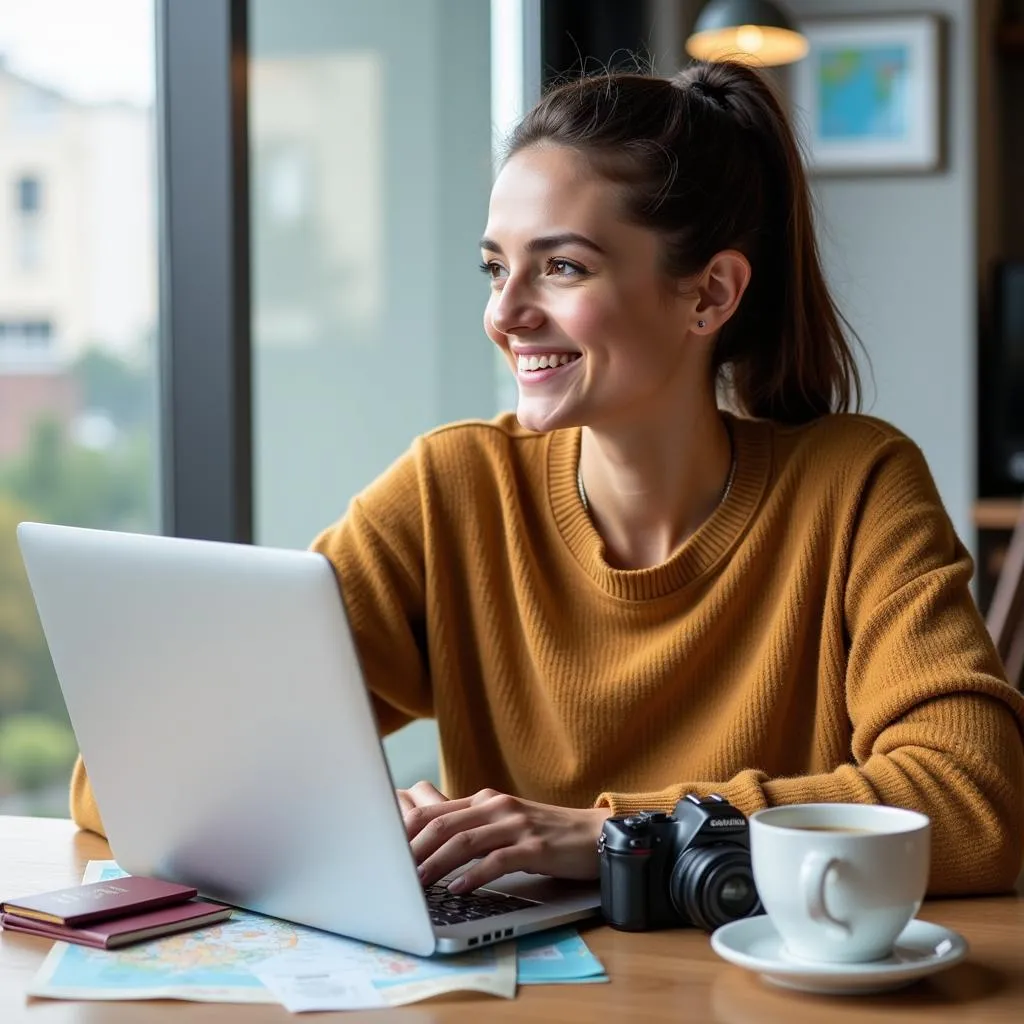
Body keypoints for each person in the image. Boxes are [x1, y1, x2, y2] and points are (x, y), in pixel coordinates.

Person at [71, 60, 1024, 897]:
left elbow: (977, 804)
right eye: (496, 268)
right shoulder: (455, 489)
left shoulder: (856, 487)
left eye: (561, 267)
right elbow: (124, 782)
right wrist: (378, 823)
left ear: (711, 294)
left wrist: (616, 836)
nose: (506, 313)